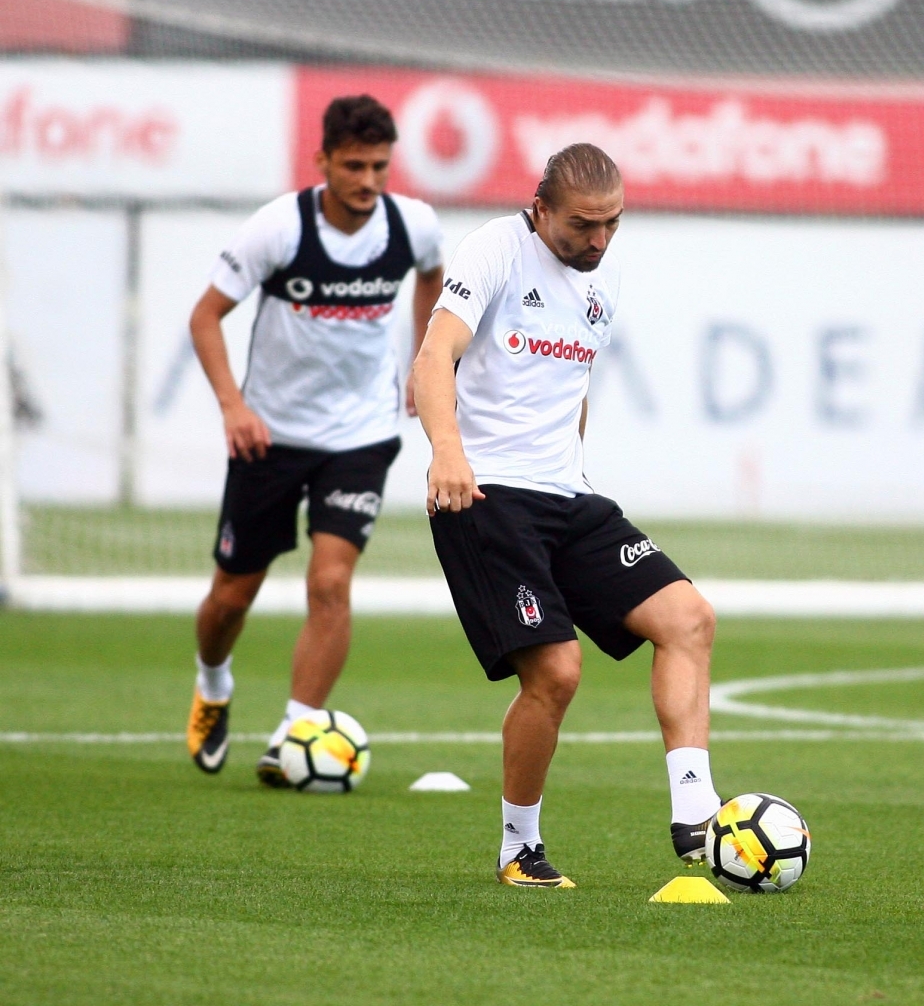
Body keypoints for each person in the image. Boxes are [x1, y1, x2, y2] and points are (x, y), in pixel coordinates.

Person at [413, 143, 720, 887]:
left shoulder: (602, 271)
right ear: (541, 207)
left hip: (567, 496)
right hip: (485, 495)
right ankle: (520, 845)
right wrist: (446, 451)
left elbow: (571, 382)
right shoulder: (494, 250)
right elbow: (432, 357)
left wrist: (576, 472)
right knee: (555, 670)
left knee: (688, 619)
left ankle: (696, 813)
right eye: (585, 224)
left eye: (613, 222)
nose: (600, 239)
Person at [186, 94, 444, 785]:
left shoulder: (412, 225)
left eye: (380, 166)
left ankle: (292, 736)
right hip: (268, 436)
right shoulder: (277, 228)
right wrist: (233, 405)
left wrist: (423, 362)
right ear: (322, 160)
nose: (368, 180)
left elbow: (433, 277)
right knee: (230, 598)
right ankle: (212, 683)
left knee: (330, 582)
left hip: (360, 436)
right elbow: (205, 317)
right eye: (353, 165)